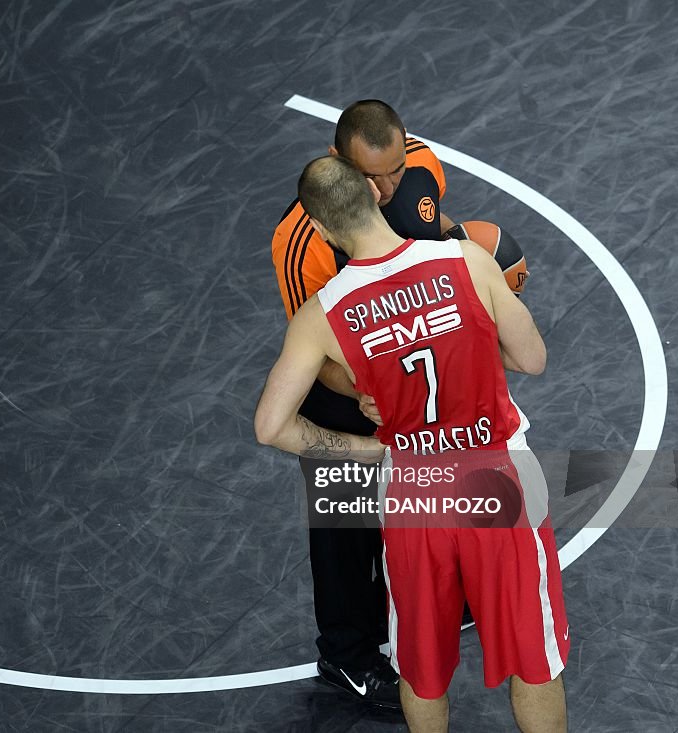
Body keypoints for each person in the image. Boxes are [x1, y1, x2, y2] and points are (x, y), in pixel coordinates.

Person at [255, 156, 569, 732]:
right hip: (499, 479)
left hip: (415, 494)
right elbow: (533, 359)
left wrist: (371, 451)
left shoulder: (321, 314)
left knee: (422, 672)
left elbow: (272, 427)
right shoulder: (467, 260)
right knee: (535, 659)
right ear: (377, 193)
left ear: (321, 228)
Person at [270, 99, 458, 707]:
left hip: (411, 366)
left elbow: (438, 236)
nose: (384, 189)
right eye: (370, 177)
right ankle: (347, 655)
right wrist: (369, 393)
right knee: (345, 523)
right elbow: (315, 350)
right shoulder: (302, 240)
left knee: (440, 483)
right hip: (349, 391)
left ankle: (448, 596)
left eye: (394, 173)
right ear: (336, 160)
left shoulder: (422, 166)